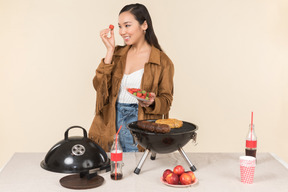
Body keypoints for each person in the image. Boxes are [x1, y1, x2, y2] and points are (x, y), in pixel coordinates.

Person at [89, 3, 174, 152]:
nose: (122, 32)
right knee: (111, 167)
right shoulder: (117, 54)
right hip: (110, 121)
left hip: (139, 120)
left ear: (144, 25)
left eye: (127, 25)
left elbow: (166, 101)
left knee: (133, 166)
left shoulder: (162, 61)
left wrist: (153, 102)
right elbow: (99, 86)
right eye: (120, 27)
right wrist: (109, 51)